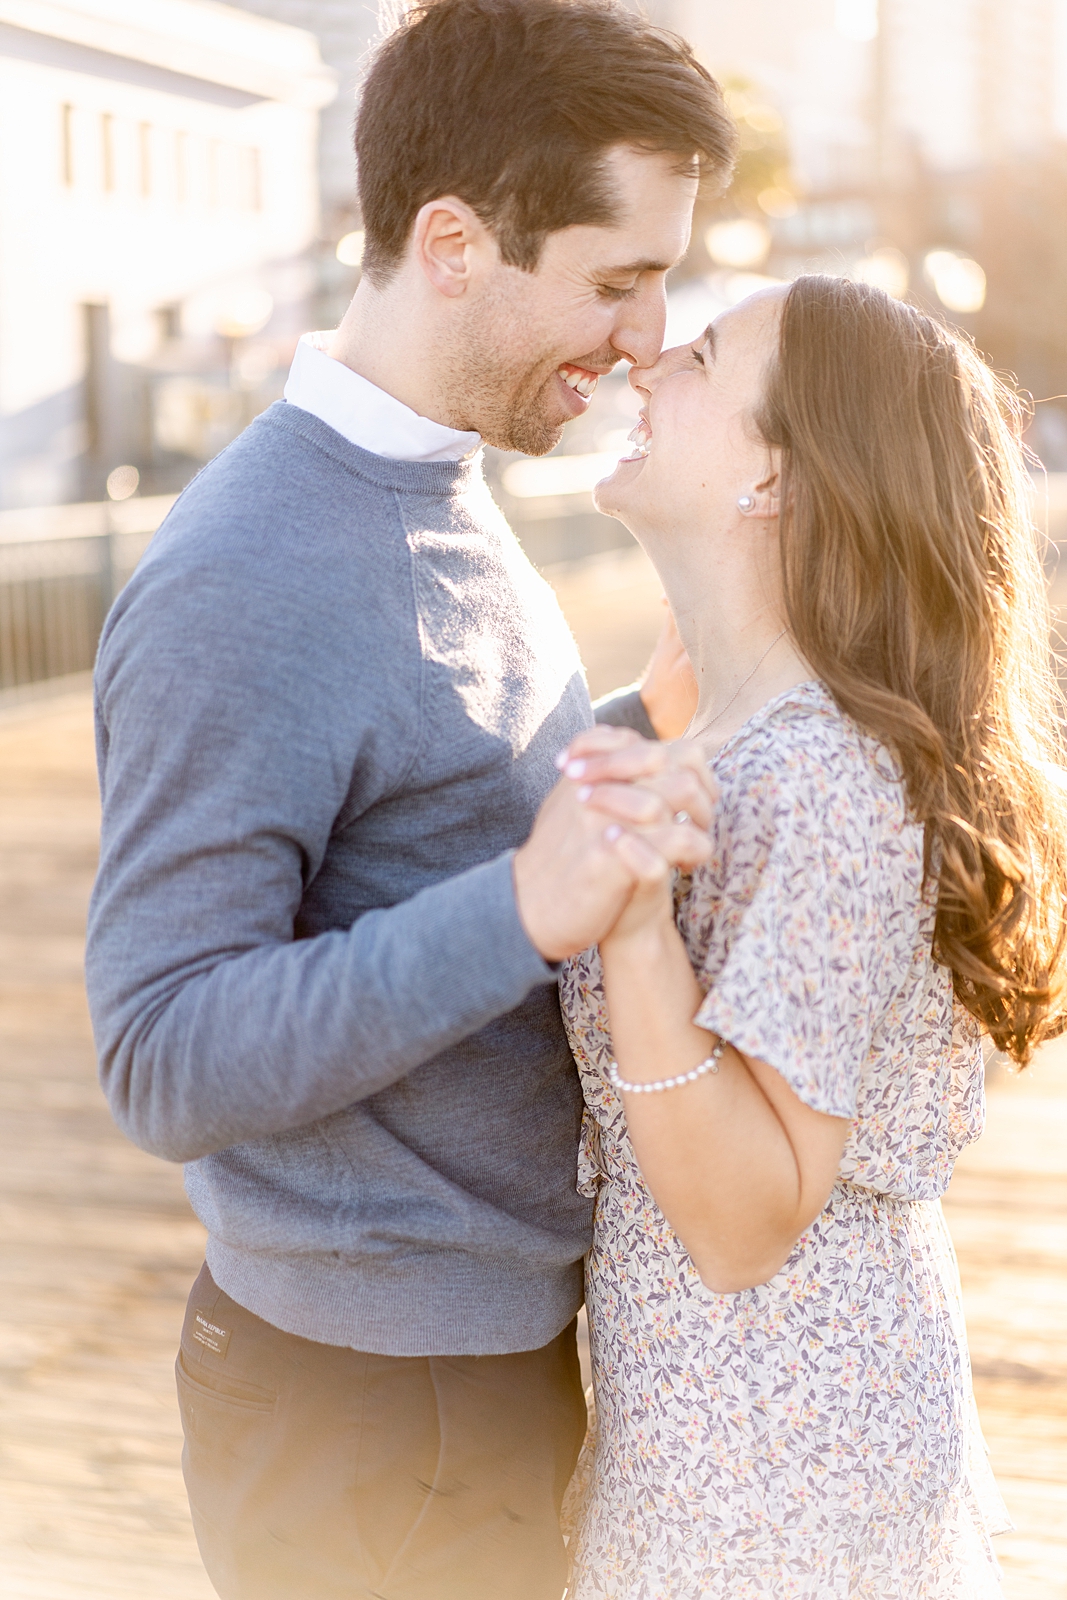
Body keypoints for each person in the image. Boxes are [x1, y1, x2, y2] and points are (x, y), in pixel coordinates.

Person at [84, 2, 733, 1596]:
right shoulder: (244, 579)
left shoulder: (442, 482)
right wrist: (519, 909)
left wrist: (665, 705)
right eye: (614, 279)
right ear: (451, 241)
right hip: (371, 1405)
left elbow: (438, 808)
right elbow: (161, 1054)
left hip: (471, 1368)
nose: (645, 338)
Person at [555, 275, 1067, 1596]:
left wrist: (632, 938)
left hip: (781, 1474)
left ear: (774, 476)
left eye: (705, 355)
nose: (652, 359)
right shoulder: (736, 744)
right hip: (722, 1442)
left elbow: (744, 1219)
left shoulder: (825, 786)